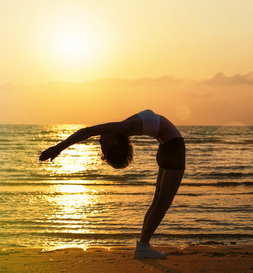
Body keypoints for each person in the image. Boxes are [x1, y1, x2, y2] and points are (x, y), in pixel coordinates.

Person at [39, 109, 185, 258]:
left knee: (157, 204)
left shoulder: (124, 127)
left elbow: (88, 132)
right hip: (174, 148)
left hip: (166, 149)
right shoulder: (124, 128)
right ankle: (143, 247)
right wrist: (59, 148)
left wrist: (59, 148)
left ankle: (143, 245)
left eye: (102, 146)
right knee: (161, 205)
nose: (100, 141)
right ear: (115, 141)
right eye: (104, 146)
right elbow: (87, 131)